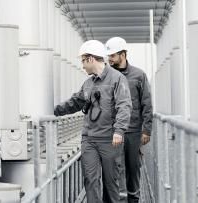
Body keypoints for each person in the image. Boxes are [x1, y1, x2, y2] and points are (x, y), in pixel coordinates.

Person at [54, 40, 133, 203]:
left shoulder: (117, 79)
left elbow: (124, 105)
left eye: (83, 60)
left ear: (90, 59)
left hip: (110, 140)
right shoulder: (88, 83)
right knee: (91, 181)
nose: (82, 66)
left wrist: (119, 130)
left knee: (111, 184)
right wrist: (53, 110)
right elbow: (75, 102)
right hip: (89, 140)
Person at [105, 37, 153, 203]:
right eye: (108, 56)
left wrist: (147, 130)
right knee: (114, 169)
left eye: (112, 55)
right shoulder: (107, 75)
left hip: (133, 131)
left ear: (123, 54)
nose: (109, 59)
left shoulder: (139, 75)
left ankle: (134, 199)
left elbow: (147, 103)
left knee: (133, 168)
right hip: (112, 131)